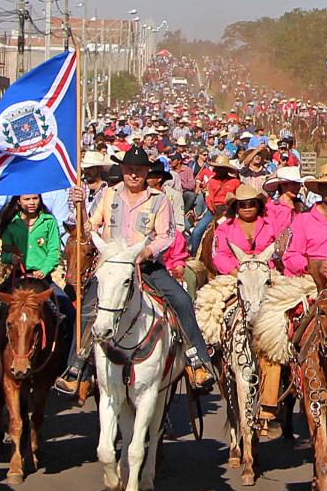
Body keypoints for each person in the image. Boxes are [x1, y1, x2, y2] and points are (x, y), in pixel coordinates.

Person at [56, 147, 214, 394]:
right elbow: (89, 228)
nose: (133, 175)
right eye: (129, 170)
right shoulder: (109, 195)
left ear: (145, 173)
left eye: (138, 171)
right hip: (113, 267)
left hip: (146, 266)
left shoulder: (159, 199)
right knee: (87, 308)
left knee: (182, 300)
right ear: (122, 171)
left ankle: (198, 361)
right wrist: (78, 207)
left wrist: (146, 252)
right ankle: (77, 368)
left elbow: (167, 235)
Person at [0, 193, 71, 376]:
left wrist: (45, 269)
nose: (31, 203)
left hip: (42, 278)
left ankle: (67, 364)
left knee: (69, 313)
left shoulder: (48, 221)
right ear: (19, 201)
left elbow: (54, 251)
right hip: (17, 277)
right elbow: (5, 252)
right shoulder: (12, 223)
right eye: (27, 199)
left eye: (35, 199)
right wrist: (11, 258)